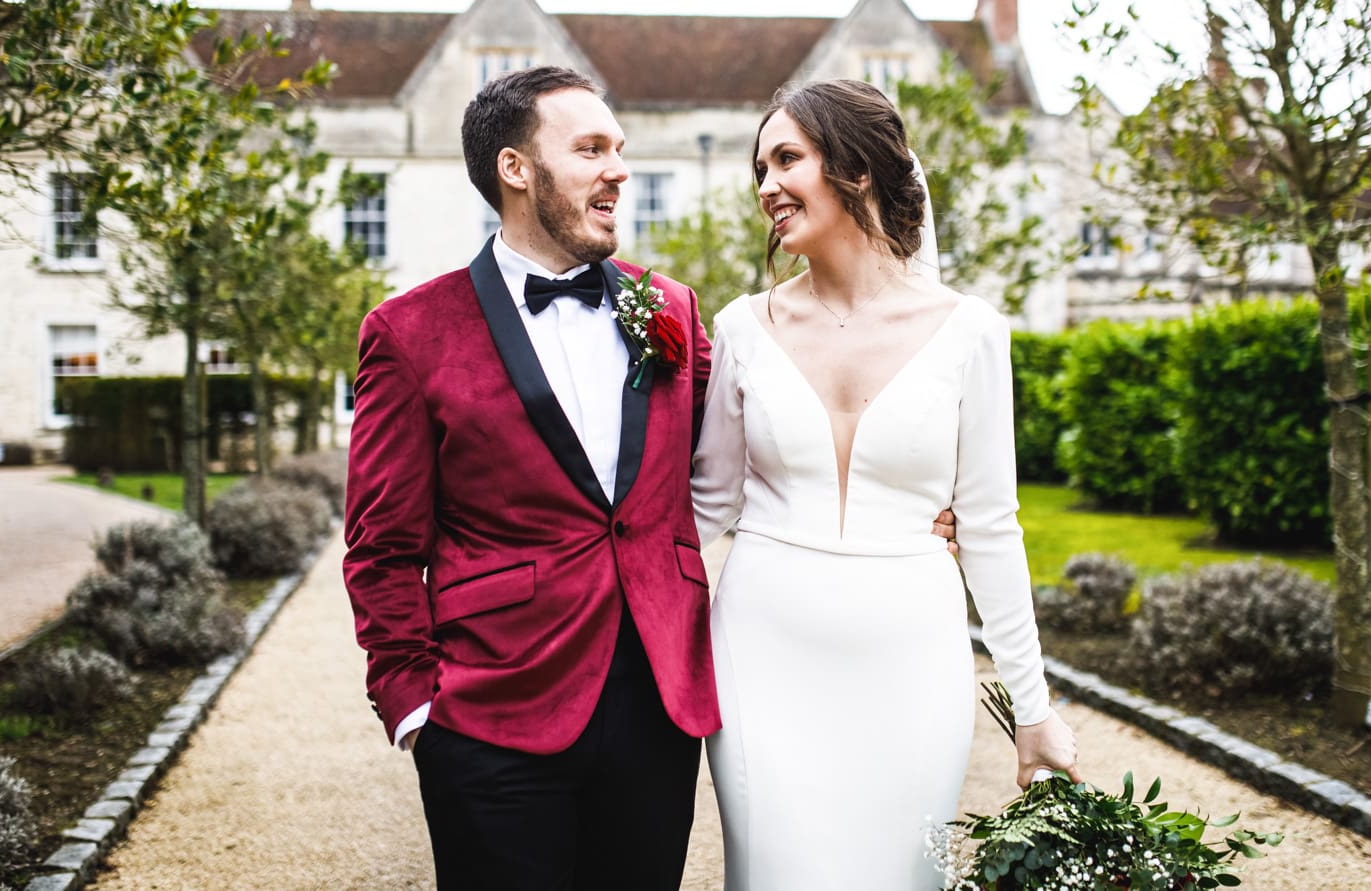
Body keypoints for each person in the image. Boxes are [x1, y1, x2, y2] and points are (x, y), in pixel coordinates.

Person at [342, 65, 954, 889]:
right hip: (490, 718)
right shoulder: (409, 332)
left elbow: (765, 437)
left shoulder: (670, 311)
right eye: (591, 148)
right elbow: (380, 546)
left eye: (619, 148)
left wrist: (902, 493)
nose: (619, 169)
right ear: (515, 170)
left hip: (657, 715)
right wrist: (416, 706)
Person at [692, 78, 1080, 890]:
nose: (766, 187)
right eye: (759, 167)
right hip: (761, 653)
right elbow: (707, 506)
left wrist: (1033, 705)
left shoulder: (970, 332)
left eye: (786, 159)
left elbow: (991, 525)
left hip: (912, 657)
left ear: (859, 169)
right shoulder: (738, 327)